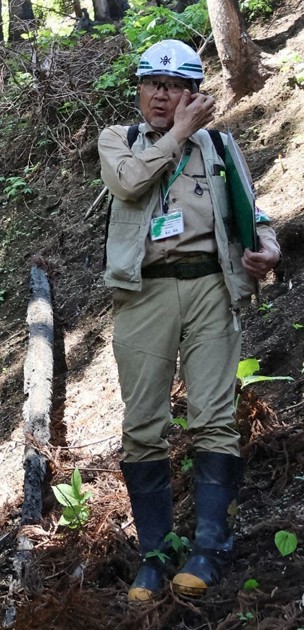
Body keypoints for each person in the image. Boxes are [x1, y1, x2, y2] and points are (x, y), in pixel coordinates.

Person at [98, 39, 281, 602]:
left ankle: (209, 546)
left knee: (213, 416)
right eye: (153, 83)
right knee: (143, 422)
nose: (162, 94)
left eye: (175, 86)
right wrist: (176, 134)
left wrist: (266, 249)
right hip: (144, 295)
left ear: (193, 93)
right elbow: (128, 185)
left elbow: (255, 211)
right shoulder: (119, 141)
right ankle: (155, 554)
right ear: (139, 89)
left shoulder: (220, 146)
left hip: (209, 287)